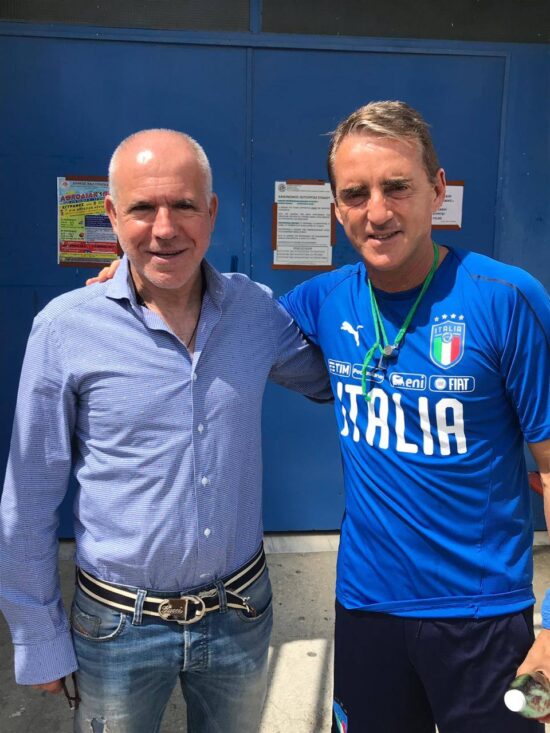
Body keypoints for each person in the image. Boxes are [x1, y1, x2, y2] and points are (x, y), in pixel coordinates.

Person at [0, 129, 331, 733]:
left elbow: (334, 376)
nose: (164, 228)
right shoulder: (65, 328)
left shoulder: (254, 311)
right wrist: (36, 634)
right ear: (111, 215)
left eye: (183, 205)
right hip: (116, 626)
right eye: (142, 209)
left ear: (212, 211)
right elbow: (29, 497)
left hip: (239, 612)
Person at [278, 100, 550, 732]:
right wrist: (129, 279)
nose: (377, 212)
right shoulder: (323, 299)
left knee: (525, 720)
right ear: (337, 208)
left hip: (487, 617)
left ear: (437, 190)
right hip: (366, 612)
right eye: (356, 194)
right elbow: (223, 317)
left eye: (396, 186)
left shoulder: (507, 298)